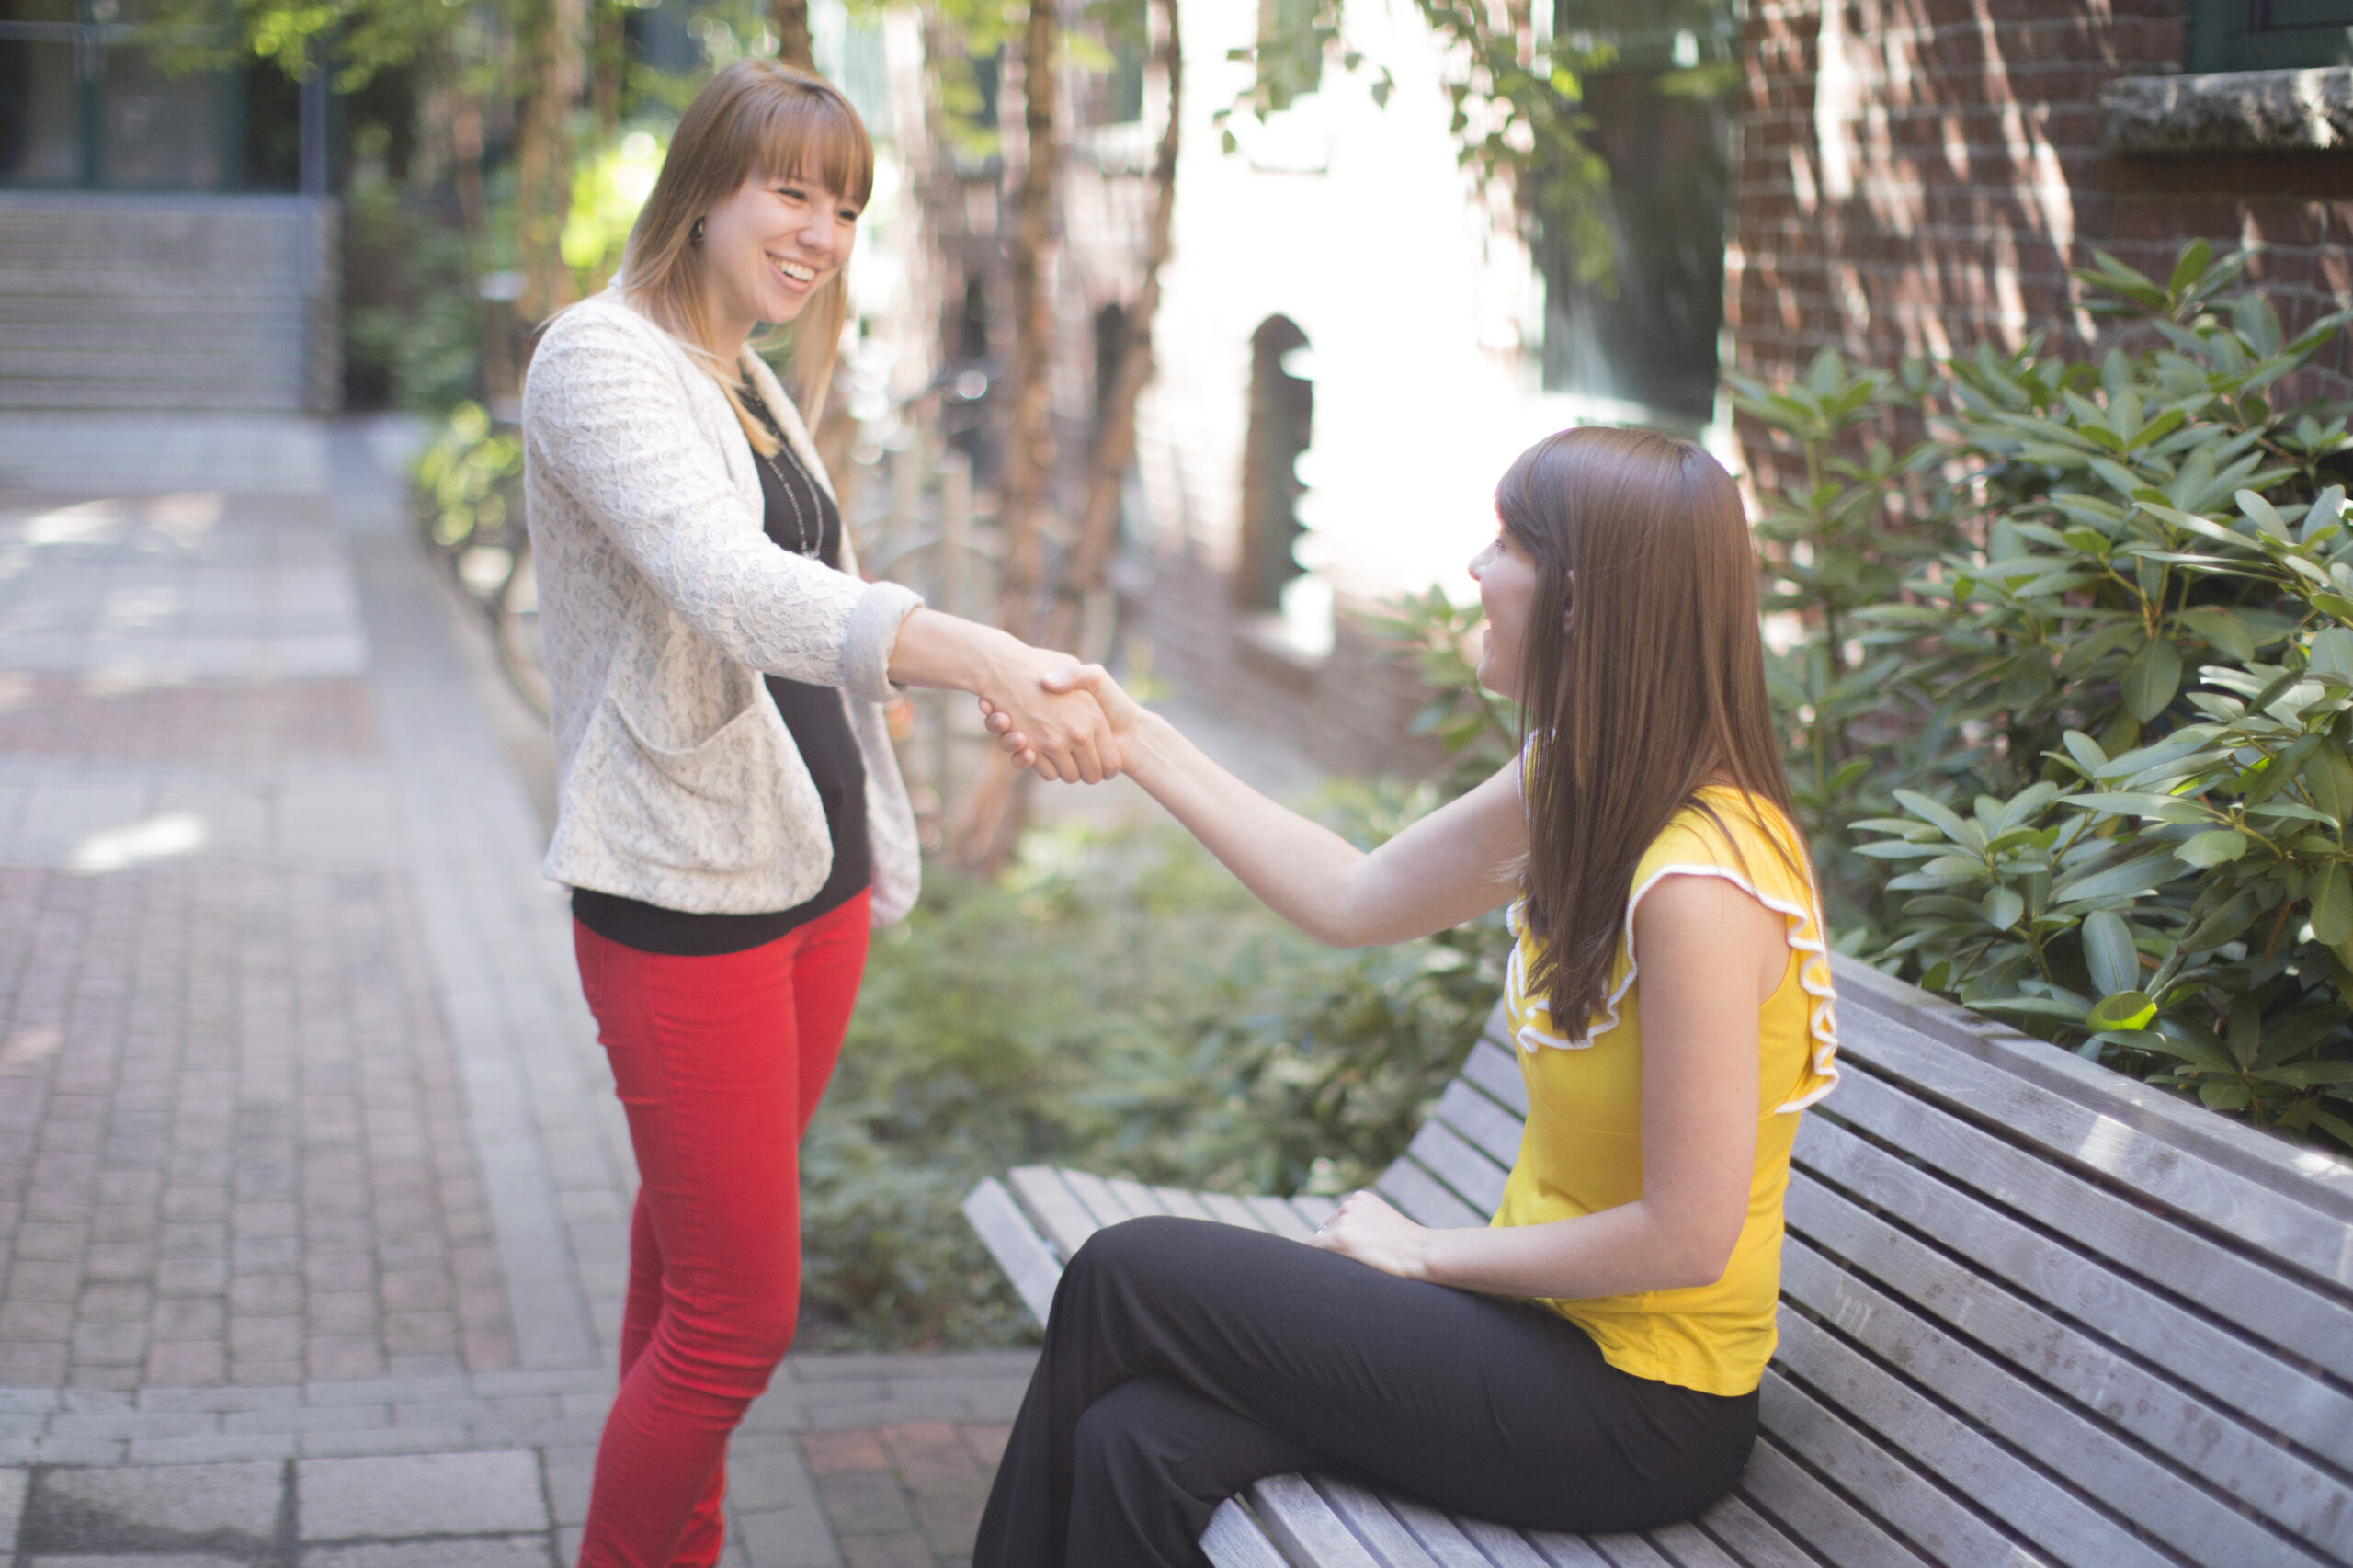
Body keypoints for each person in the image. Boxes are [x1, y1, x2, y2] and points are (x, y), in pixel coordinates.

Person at [972, 426, 1839, 1565]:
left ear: (1582, 600)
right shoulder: (1576, 778)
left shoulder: (1700, 880)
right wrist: (1133, 738)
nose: (1476, 570)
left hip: (1636, 1406)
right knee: (1140, 1441)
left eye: (1506, 541)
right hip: (1535, 1342)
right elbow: (1349, 892)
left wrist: (1423, 1251)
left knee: (1128, 1271)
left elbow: (1685, 1235)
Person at [520, 60, 1119, 1568]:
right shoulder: (602, 359)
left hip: (813, 879)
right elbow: (731, 583)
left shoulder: (747, 370)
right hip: (685, 897)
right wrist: (971, 643)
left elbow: (802, 618)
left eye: (846, 204)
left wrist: (897, 688)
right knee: (736, 1322)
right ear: (708, 184)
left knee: (685, 1283)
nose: (821, 230)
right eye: (793, 189)